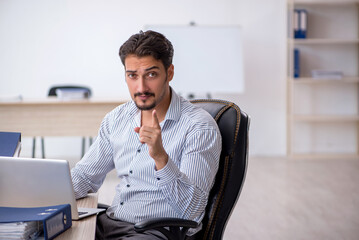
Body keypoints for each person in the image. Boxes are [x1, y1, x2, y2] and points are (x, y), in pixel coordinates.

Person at [71, 30, 222, 240]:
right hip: (110, 224)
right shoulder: (117, 119)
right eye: (132, 76)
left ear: (169, 73)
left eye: (151, 74)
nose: (141, 87)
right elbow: (85, 177)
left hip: (157, 233)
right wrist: (40, 192)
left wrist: (161, 157)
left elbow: (192, 211)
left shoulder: (199, 127)